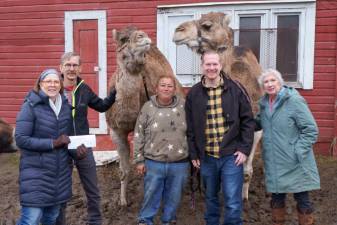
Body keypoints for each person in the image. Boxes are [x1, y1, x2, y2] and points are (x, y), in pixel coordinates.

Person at [185, 51, 255, 225]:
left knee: (232, 201)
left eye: (215, 64)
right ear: (202, 66)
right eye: (208, 64)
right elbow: (191, 127)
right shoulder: (194, 94)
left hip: (231, 156)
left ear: (221, 65)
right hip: (207, 156)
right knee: (210, 198)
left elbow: (248, 120)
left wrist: (244, 149)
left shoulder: (235, 89)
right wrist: (193, 154)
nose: (211, 68)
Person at [15, 68, 85, 225]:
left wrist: (77, 152)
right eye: (48, 81)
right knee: (31, 220)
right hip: (36, 174)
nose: (52, 85)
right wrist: (52, 143)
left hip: (59, 176)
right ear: (40, 84)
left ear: (60, 85)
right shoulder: (31, 106)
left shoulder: (66, 108)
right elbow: (21, 139)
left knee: (51, 218)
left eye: (56, 82)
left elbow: (67, 139)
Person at [56, 52, 116, 225]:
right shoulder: (53, 88)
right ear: (61, 68)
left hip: (83, 146)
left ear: (80, 68)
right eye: (68, 65)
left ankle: (95, 221)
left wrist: (115, 91)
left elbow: (102, 106)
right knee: (61, 190)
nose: (71, 68)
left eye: (75, 65)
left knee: (92, 189)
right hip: (61, 148)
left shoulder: (84, 88)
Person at [255, 69, 320, 225]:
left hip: (295, 161)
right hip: (275, 161)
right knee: (276, 200)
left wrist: (297, 150)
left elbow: (311, 129)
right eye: (266, 82)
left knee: (302, 200)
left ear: (280, 82)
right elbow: (259, 123)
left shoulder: (294, 101)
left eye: (273, 80)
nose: (269, 84)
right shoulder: (264, 104)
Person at [133, 75, 189, 225]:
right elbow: (138, 133)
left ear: (174, 89)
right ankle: (145, 220)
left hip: (179, 162)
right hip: (153, 162)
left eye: (170, 86)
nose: (166, 88)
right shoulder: (147, 107)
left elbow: (193, 132)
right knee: (151, 195)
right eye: (163, 85)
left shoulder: (184, 106)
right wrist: (139, 160)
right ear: (156, 89)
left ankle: (169, 220)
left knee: (174, 196)